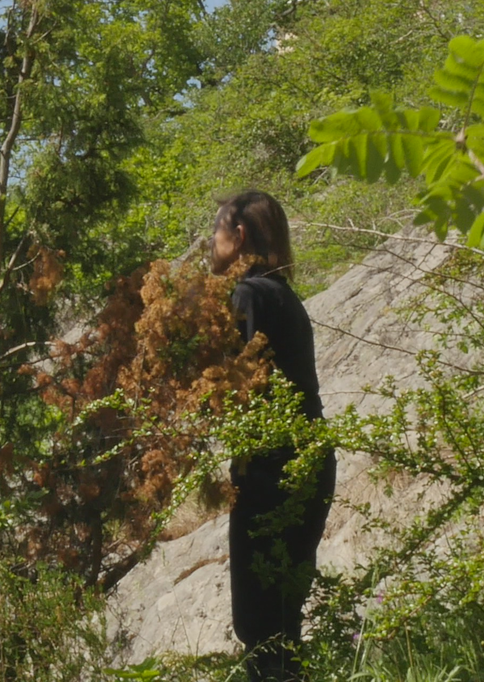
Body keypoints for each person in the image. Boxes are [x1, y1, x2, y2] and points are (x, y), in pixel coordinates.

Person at [209, 190, 335, 682]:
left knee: (260, 627)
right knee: (282, 621)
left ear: (239, 236)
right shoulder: (282, 294)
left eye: (216, 230)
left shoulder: (250, 295)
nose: (210, 241)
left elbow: (239, 387)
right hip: (306, 463)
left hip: (272, 470)